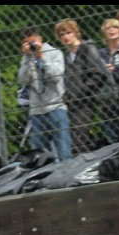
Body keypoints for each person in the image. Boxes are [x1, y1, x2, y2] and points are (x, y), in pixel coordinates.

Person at [16, 27, 73, 162]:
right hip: (36, 110)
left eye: (33, 42)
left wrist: (42, 57)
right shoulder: (27, 57)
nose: (31, 45)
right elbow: (22, 80)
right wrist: (26, 58)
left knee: (63, 150)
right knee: (39, 154)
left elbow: (56, 77)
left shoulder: (54, 53)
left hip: (55, 106)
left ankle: (66, 177)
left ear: (40, 39)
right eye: (27, 43)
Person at [54, 18, 109, 154]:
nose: (66, 37)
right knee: (75, 137)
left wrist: (82, 91)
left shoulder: (87, 48)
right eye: (62, 34)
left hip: (85, 101)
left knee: (79, 138)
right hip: (70, 103)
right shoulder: (66, 56)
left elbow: (99, 74)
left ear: (76, 33)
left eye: (69, 32)